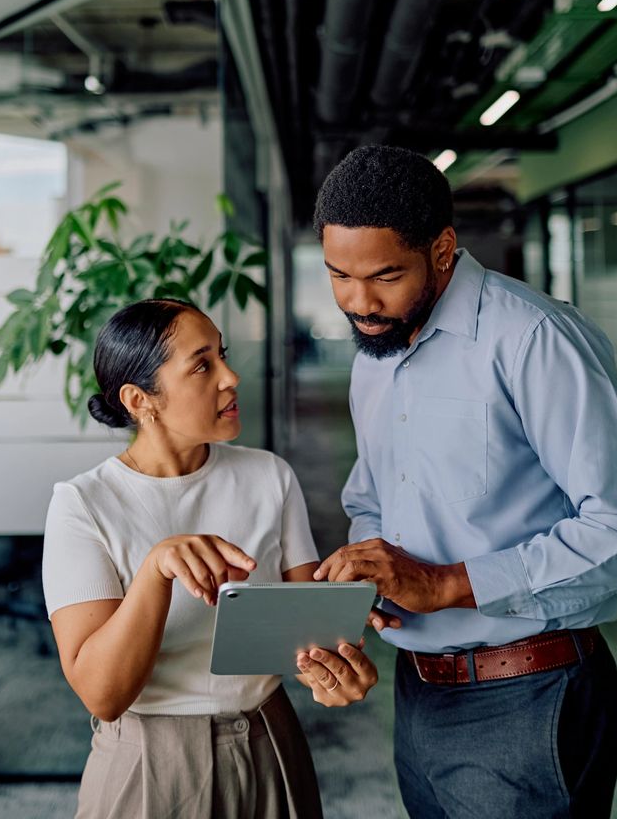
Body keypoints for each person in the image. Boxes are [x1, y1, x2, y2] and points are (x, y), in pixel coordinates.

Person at [311, 144, 617, 819]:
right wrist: (363, 576)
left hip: (529, 696)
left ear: (443, 249)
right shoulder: (377, 351)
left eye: (384, 275)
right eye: (338, 276)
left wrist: (450, 583)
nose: (360, 303)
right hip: (419, 692)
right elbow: (370, 500)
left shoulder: (533, 338)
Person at [42, 297, 382, 819]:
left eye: (223, 355)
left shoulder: (269, 476)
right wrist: (156, 570)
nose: (231, 377)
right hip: (149, 764)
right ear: (139, 400)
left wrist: (337, 667)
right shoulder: (83, 504)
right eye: (202, 365)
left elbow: (310, 632)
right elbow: (103, 695)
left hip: (272, 746)